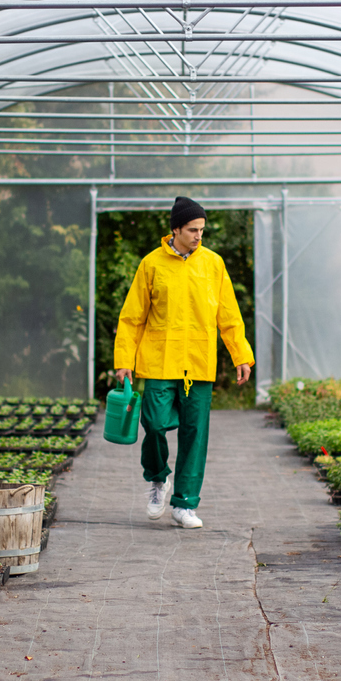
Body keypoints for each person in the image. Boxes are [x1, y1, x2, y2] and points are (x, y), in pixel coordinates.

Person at [111, 196, 253, 529]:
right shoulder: (151, 265)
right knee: (155, 425)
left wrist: (241, 355)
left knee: (195, 434)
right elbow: (132, 318)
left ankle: (185, 504)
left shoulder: (213, 264)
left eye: (202, 230)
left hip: (199, 363)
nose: (198, 236)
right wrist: (124, 360)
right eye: (192, 230)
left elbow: (229, 316)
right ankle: (158, 480)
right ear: (175, 229)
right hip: (159, 361)